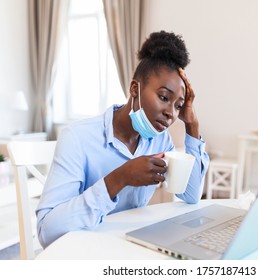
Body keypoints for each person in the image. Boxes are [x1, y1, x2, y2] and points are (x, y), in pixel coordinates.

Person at [36, 31, 210, 248]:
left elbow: (191, 195)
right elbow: (47, 232)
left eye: (178, 105)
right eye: (164, 98)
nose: (171, 114)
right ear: (135, 89)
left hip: (129, 247)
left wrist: (192, 125)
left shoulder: (160, 140)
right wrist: (120, 178)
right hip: (82, 252)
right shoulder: (78, 138)